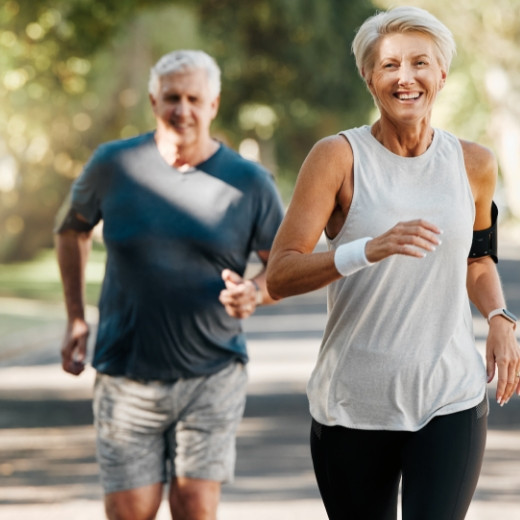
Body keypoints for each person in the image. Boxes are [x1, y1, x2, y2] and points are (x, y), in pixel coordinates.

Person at [266, 6, 520, 520]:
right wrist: (367, 249)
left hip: (449, 395)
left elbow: (478, 257)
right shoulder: (336, 158)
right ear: (368, 76)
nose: (406, 78)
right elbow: (280, 274)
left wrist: (498, 317)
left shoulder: (474, 164)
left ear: (442, 75)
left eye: (420, 63)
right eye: (389, 66)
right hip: (353, 404)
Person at [54, 49, 284, 520]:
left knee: (195, 506)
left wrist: (255, 293)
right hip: (126, 373)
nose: (184, 110)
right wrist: (76, 316)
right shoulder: (114, 165)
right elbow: (71, 229)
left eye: (194, 99)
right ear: (154, 102)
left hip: (212, 373)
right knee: (129, 511)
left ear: (213, 105)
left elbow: (283, 266)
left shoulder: (250, 182)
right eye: (173, 98)